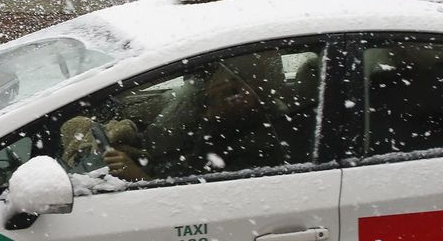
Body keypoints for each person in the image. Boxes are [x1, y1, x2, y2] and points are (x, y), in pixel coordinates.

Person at [96, 53, 296, 182]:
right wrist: (141, 156)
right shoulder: (224, 125)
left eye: (230, 90)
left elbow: (198, 203)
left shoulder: (258, 147)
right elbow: (190, 165)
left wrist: (140, 177)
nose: (211, 91)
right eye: (214, 82)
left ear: (255, 92)